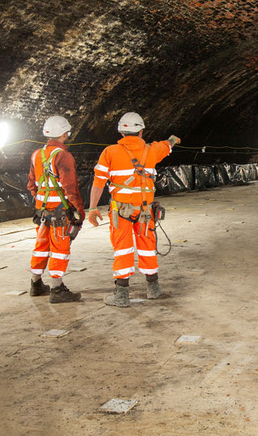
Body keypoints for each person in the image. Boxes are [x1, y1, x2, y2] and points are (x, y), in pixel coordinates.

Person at [87, 112, 180, 308]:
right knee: (147, 247)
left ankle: (121, 295)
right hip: (146, 212)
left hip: (121, 212)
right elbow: (167, 145)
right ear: (141, 131)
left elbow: (98, 182)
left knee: (123, 249)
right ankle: (153, 288)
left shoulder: (110, 152)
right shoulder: (152, 150)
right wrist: (173, 140)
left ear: (121, 132)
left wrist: (93, 208)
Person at [27, 115, 85, 303]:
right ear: (64, 134)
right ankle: (57, 289)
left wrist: (42, 202)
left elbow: (31, 185)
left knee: (41, 247)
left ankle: (36, 284)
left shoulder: (36, 154)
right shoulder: (63, 155)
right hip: (60, 212)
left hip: (42, 212)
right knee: (60, 248)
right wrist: (79, 211)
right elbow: (70, 188)